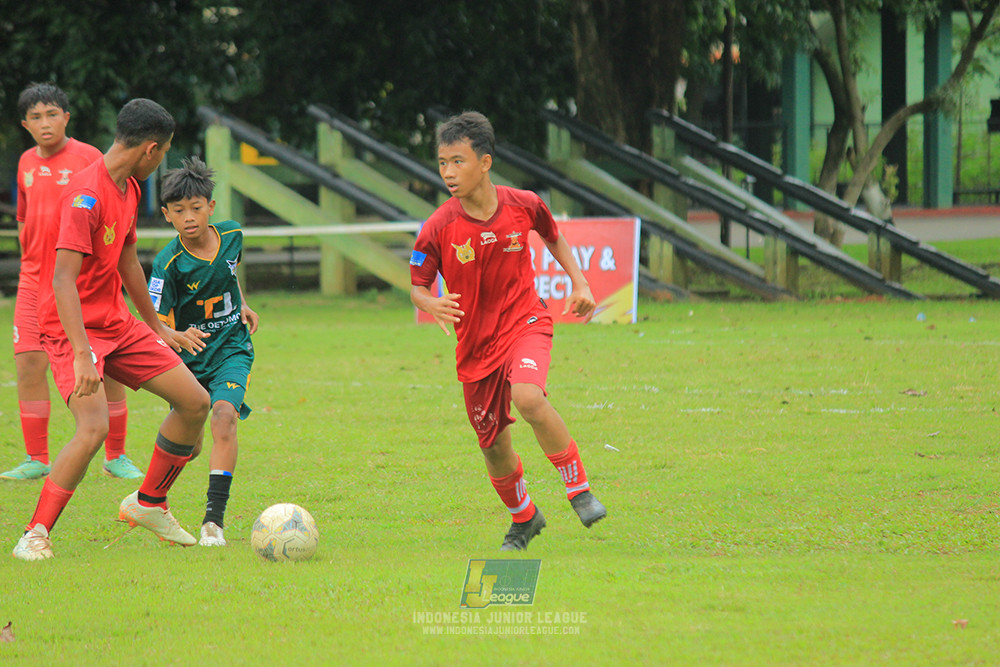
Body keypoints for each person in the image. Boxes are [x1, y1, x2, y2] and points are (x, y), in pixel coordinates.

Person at [12, 98, 211, 561]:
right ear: (150, 148)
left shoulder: (130, 188)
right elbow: (62, 279)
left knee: (194, 402)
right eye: (163, 153)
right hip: (70, 330)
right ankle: (35, 534)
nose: (162, 161)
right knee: (93, 428)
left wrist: (158, 326)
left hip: (117, 323)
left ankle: (149, 502)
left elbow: (126, 260)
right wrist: (82, 353)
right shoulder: (86, 195)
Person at [409, 111, 607, 551]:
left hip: (525, 322)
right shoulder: (439, 226)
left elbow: (552, 235)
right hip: (476, 347)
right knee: (494, 447)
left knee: (529, 395)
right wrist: (430, 302)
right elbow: (417, 286)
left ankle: (579, 489)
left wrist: (581, 282)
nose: (448, 172)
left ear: (485, 162)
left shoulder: (523, 204)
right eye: (442, 163)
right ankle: (525, 518)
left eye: (457, 161)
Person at [3, 82, 142, 481]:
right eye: (35, 117)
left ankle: (116, 455)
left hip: (82, 281)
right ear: (24, 124)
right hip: (34, 281)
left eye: (52, 114)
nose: (44, 123)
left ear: (66, 117)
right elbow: (25, 219)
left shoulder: (89, 158)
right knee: (29, 363)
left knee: (107, 366)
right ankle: (36, 457)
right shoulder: (26, 162)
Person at [148, 156, 258, 547]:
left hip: (232, 348)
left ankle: (213, 521)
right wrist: (178, 336)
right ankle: (153, 498)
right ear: (166, 215)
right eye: (179, 211)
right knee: (189, 446)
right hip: (189, 362)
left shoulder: (233, 235)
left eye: (196, 208)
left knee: (224, 417)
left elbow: (230, 274)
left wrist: (241, 304)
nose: (189, 217)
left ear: (211, 207)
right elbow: (154, 323)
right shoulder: (168, 264)